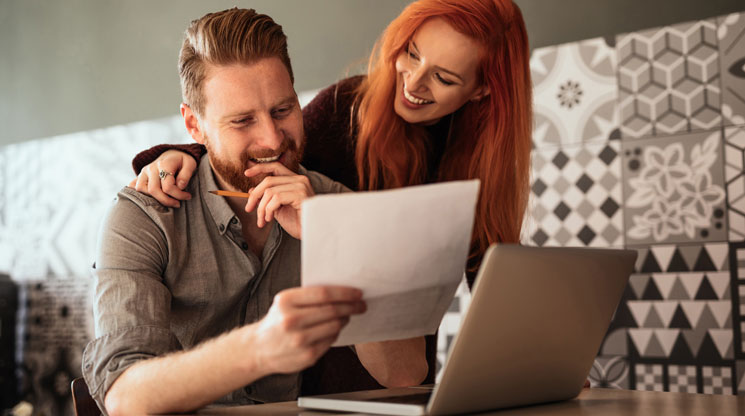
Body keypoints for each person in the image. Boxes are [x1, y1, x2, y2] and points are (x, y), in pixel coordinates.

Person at [130, 0, 531, 396]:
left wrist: (535, 356)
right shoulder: (345, 111)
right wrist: (178, 155)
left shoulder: (484, 161)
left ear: (482, 90)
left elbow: (493, 281)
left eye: (443, 78)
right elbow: (266, 153)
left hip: (402, 365)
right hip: (322, 372)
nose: (412, 82)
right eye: (411, 53)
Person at [83, 8, 427, 415]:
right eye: (243, 120)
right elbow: (125, 399)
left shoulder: (333, 204)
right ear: (194, 126)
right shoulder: (144, 216)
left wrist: (331, 239)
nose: (272, 138)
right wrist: (261, 347)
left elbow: (404, 373)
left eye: (283, 110)